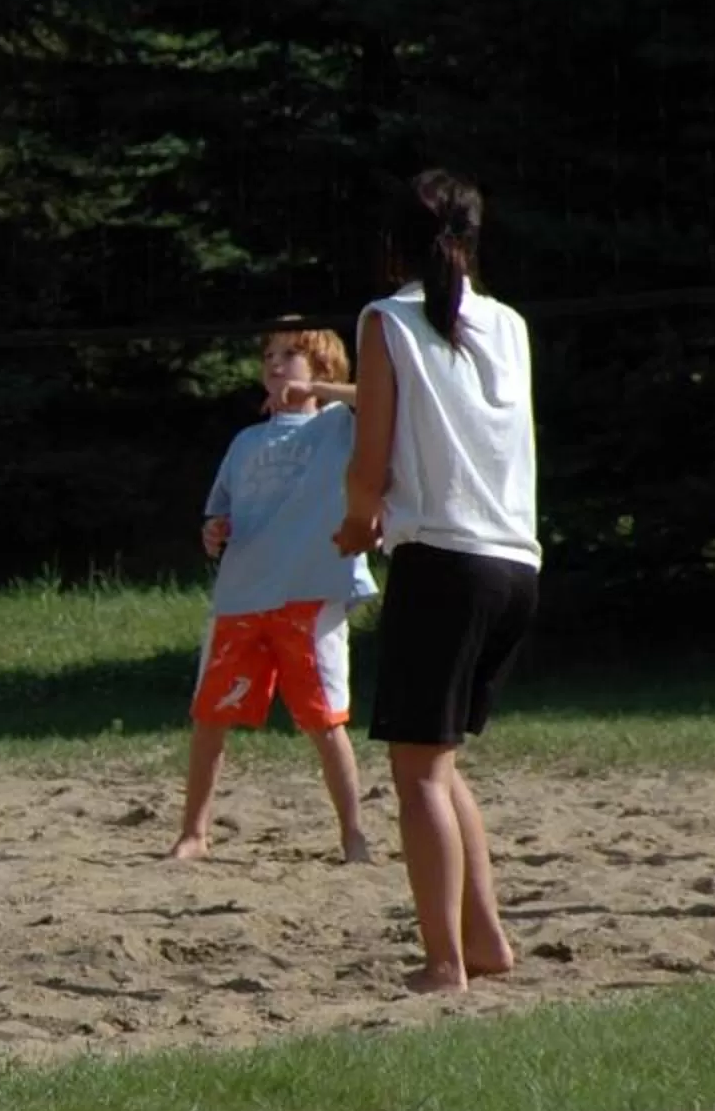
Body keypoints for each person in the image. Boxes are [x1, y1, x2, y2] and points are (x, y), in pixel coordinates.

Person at [333, 169, 540, 996]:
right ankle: (482, 940)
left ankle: (444, 961)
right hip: (516, 561)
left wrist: (355, 525)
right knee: (441, 765)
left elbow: (370, 457)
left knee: (417, 773)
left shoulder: (386, 321)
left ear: (395, 246)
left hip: (445, 560)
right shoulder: (511, 324)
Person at [180, 323, 377, 864]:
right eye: (269, 354)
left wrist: (319, 393)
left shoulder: (338, 424)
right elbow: (219, 514)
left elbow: (383, 396)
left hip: (310, 592)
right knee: (210, 716)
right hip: (242, 594)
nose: (275, 363)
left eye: (291, 355)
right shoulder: (246, 441)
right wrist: (214, 530)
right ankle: (193, 832)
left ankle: (353, 834)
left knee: (323, 719)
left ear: (324, 369)